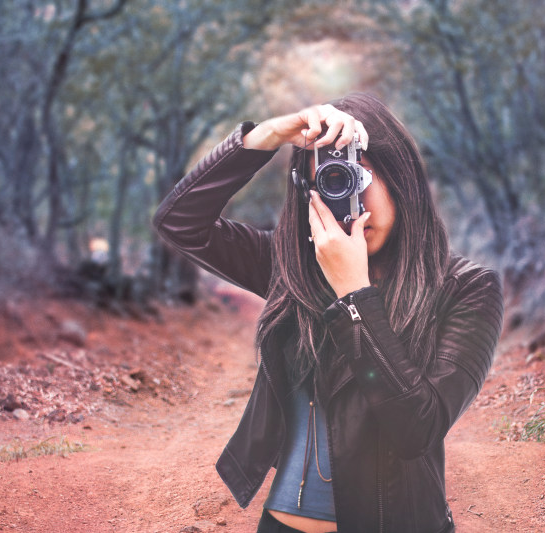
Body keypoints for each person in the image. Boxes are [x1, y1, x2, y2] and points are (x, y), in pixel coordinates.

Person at [153, 93, 503, 533]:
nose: (350, 195)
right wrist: (267, 136)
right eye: (332, 180)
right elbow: (178, 221)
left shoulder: (465, 288)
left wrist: (355, 293)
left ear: (402, 178)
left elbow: (419, 428)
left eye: (361, 175)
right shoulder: (294, 268)